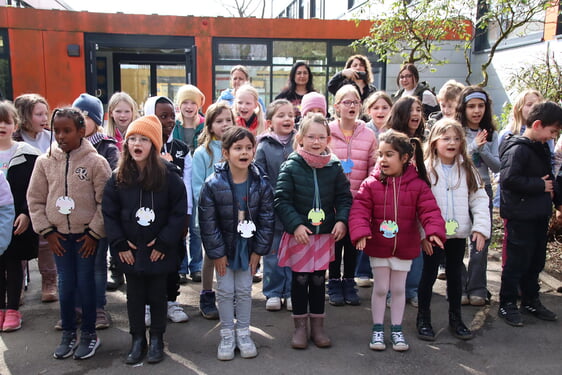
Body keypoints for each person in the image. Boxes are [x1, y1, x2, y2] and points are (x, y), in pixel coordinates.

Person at [349, 130, 445, 352]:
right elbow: (359, 210)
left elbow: (430, 210)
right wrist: (361, 231)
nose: (382, 159)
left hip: (405, 246)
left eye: (389, 154)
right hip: (379, 246)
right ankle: (377, 329)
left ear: (405, 158)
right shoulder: (370, 184)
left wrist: (433, 232)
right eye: (380, 154)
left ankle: (397, 329)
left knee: (399, 289)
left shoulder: (418, 185)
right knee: (381, 288)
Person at [27, 108, 111, 360]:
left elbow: (105, 202)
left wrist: (95, 233)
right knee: (66, 285)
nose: (61, 136)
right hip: (59, 237)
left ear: (81, 132)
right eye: (57, 131)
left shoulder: (96, 162)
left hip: (87, 237)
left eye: (67, 131)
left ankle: (88, 334)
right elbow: (35, 200)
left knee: (86, 284)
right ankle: (68, 333)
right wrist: (48, 232)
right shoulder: (44, 162)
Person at [102, 115, 187, 364]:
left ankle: (157, 338)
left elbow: (178, 211)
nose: (137, 144)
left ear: (154, 145)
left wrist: (164, 242)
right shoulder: (118, 178)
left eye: (144, 139)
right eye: (132, 139)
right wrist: (118, 244)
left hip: (158, 249)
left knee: (158, 294)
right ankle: (137, 338)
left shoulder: (169, 176)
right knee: (135, 295)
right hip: (130, 249)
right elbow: (109, 213)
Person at [275, 113, 352, 349]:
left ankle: (318, 328)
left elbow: (344, 197)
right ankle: (300, 328)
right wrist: (296, 224)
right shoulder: (291, 165)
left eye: (321, 137)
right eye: (311, 137)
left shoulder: (334, 166)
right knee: (300, 280)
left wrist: (341, 220)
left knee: (319, 280)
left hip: (324, 236)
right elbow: (281, 199)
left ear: (328, 138)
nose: (316, 142)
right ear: (300, 138)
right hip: (301, 236)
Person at [198, 126, 274, 361]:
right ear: (226, 152)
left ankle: (243, 332)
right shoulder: (213, 184)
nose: (244, 153)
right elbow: (208, 223)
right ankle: (227, 334)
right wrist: (217, 254)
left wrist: (259, 251)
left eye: (249, 148)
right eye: (238, 148)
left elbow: (267, 219)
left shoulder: (261, 183)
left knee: (243, 291)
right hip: (225, 249)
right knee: (225, 290)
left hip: (248, 248)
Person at [417, 119, 490, 342]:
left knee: (456, 276)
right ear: (434, 141)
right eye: (446, 138)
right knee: (428, 275)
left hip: (457, 233)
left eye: (457, 138)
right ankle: (423, 318)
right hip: (433, 234)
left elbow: (479, 199)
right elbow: (418, 204)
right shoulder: (426, 169)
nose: (452, 143)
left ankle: (456, 318)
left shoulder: (468, 169)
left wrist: (480, 228)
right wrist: (423, 235)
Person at [498, 101, 562, 327]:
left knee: (536, 261)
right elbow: (508, 180)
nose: (552, 136)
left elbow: (550, 180)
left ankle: (530, 299)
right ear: (537, 124)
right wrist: (538, 186)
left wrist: (558, 202)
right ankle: (507, 303)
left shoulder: (542, 148)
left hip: (538, 215)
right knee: (516, 262)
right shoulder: (517, 148)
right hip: (520, 216)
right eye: (552, 131)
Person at [327, 85, 377, 306]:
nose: (352, 105)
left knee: (353, 243)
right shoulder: (327, 132)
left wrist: (367, 198)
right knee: (334, 244)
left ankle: (349, 281)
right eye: (346, 102)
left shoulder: (368, 134)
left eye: (356, 101)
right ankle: (334, 283)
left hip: (359, 201)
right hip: (332, 202)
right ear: (337, 106)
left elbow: (374, 167)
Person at [144, 96, 191, 324]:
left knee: (173, 259)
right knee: (147, 260)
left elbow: (188, 184)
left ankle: (171, 300)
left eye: (173, 116)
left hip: (174, 217)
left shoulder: (181, 149)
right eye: (163, 116)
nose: (170, 121)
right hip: (147, 218)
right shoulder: (141, 146)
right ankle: (147, 304)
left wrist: (186, 216)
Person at [73, 93, 118, 330]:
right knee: (75, 266)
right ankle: (77, 307)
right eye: (76, 116)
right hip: (72, 219)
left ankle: (99, 307)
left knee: (98, 265)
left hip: (98, 218)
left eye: (85, 117)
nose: (79, 122)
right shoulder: (66, 145)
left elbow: (111, 180)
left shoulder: (107, 147)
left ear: (96, 120)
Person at [456, 86, 499, 306]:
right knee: (456, 238)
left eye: (480, 106)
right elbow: (458, 160)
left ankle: (477, 287)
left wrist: (483, 149)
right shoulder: (457, 130)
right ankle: (459, 285)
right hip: (460, 189)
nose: (476, 111)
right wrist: (473, 145)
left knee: (481, 239)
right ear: (463, 108)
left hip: (483, 188)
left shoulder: (491, 133)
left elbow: (498, 166)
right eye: (471, 106)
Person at [13, 93, 58, 303]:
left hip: (47, 198)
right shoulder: (14, 140)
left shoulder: (52, 138)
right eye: (38, 114)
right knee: (19, 240)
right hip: (20, 199)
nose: (44, 118)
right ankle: (17, 284)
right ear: (24, 116)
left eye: (45, 113)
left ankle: (49, 282)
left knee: (45, 242)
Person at [192, 102, 235, 320]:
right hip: (211, 216)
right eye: (219, 121)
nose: (224, 124)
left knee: (232, 254)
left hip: (233, 216)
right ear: (209, 126)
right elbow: (198, 186)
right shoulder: (203, 153)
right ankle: (207, 294)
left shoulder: (238, 148)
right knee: (211, 255)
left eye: (228, 120)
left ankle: (228, 295)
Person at [385, 95, 428, 307]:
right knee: (393, 247)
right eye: (411, 110)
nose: (416, 114)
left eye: (419, 109)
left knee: (416, 245)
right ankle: (393, 292)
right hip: (393, 200)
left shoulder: (425, 140)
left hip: (418, 200)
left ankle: (412, 290)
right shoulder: (390, 139)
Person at [0, 101, 39, 332]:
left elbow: (33, 189)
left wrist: (26, 213)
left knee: (14, 263)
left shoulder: (27, 155)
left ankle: (13, 309)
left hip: (16, 220)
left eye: (7, 121)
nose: (2, 126)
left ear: (15, 125)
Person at [256, 99, 296, 311]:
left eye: (290, 114)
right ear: (270, 121)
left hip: (295, 207)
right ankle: (272, 291)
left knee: (293, 249)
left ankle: (290, 291)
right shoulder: (263, 145)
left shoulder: (299, 141)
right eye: (281, 115)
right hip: (271, 207)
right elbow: (259, 175)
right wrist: (272, 197)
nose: (287, 119)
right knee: (272, 251)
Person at [106, 92, 139, 291]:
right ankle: (115, 268)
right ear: (111, 113)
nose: (123, 115)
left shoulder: (138, 133)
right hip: (114, 187)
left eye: (127, 111)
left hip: (133, 188)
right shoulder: (107, 136)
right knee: (115, 227)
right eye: (119, 111)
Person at [173, 84, 205, 285]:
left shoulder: (203, 125)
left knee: (196, 226)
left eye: (193, 102)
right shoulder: (174, 125)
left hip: (197, 177)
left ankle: (196, 266)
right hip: (179, 180)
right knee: (180, 225)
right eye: (185, 102)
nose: (189, 106)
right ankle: (182, 266)